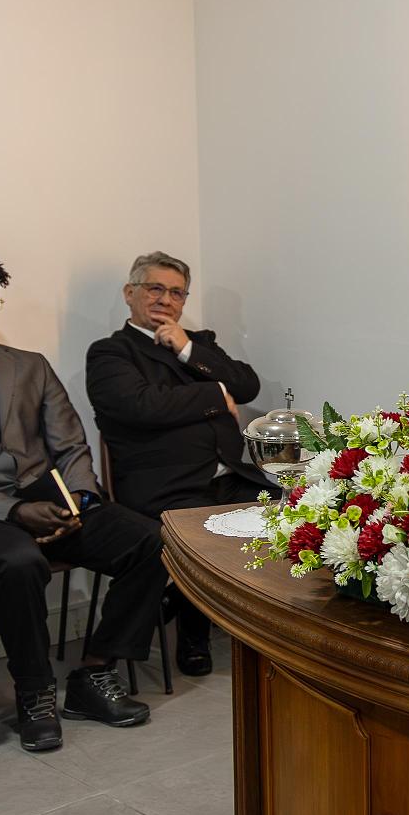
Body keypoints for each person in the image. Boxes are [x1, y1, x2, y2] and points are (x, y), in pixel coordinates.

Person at [0, 247, 166, 752]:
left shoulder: (31, 365)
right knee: (19, 563)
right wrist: (15, 511)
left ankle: (95, 671)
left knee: (151, 541)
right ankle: (35, 692)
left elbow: (70, 442)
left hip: (51, 500)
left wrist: (80, 498)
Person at [86, 251, 270, 675]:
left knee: (290, 512)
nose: (165, 299)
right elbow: (141, 406)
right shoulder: (111, 353)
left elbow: (246, 385)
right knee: (202, 530)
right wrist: (213, 395)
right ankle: (193, 637)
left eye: (176, 293)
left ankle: (267, 630)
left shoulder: (198, 344)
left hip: (227, 475)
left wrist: (187, 349)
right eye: (155, 288)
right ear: (129, 293)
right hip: (164, 485)